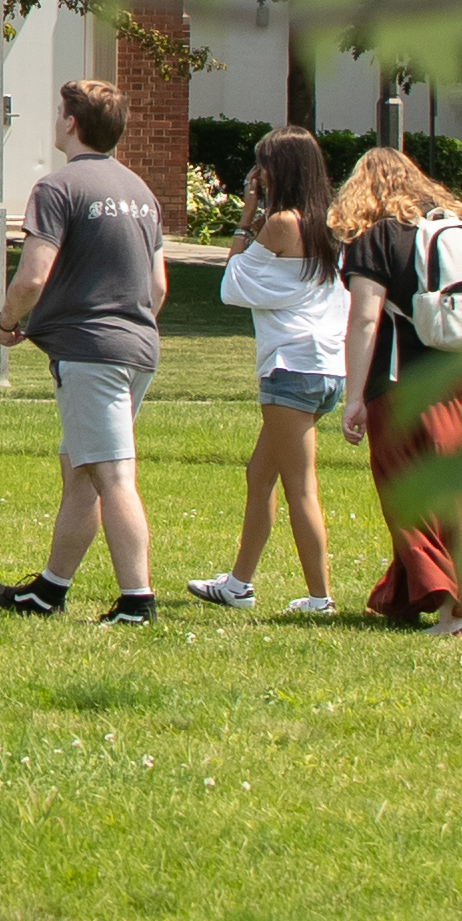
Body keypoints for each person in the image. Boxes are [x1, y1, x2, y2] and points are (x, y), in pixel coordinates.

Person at [0, 77, 172, 625]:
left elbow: (32, 277)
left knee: (112, 476)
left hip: (91, 355)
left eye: (60, 110)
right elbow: (158, 288)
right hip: (137, 348)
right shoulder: (142, 192)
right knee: (81, 471)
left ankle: (137, 600)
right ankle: (48, 591)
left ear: (71, 122)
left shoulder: (58, 188)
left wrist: (5, 324)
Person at [336, 141, 462, 633]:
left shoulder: (376, 237)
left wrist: (354, 397)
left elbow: (365, 320)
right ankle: (420, 596)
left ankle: (454, 613)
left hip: (408, 386)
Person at [192, 124, 349, 613]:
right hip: (325, 367)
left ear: (279, 170)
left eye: (263, 164)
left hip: (291, 367)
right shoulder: (332, 220)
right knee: (260, 474)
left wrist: (245, 216)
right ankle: (238, 584)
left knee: (301, 486)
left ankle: (320, 598)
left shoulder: (281, 223)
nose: (255, 174)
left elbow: (234, 282)